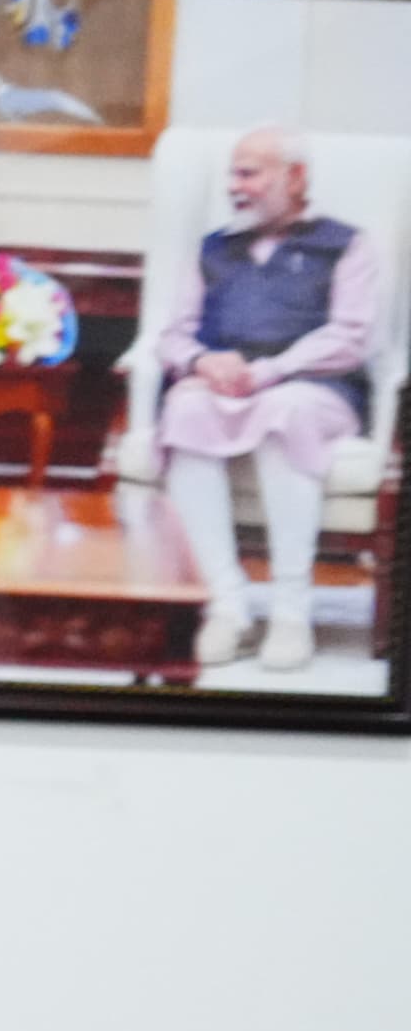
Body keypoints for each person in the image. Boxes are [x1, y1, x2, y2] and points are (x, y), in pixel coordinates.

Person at [124, 125, 383, 670]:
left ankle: (291, 612)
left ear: (296, 178)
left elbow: (350, 335)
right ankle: (228, 606)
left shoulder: (345, 244)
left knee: (285, 411)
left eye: (249, 173)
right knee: (185, 407)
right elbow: (174, 334)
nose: (234, 186)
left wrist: (270, 371)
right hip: (224, 386)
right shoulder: (213, 249)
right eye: (232, 174)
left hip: (315, 389)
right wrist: (202, 361)